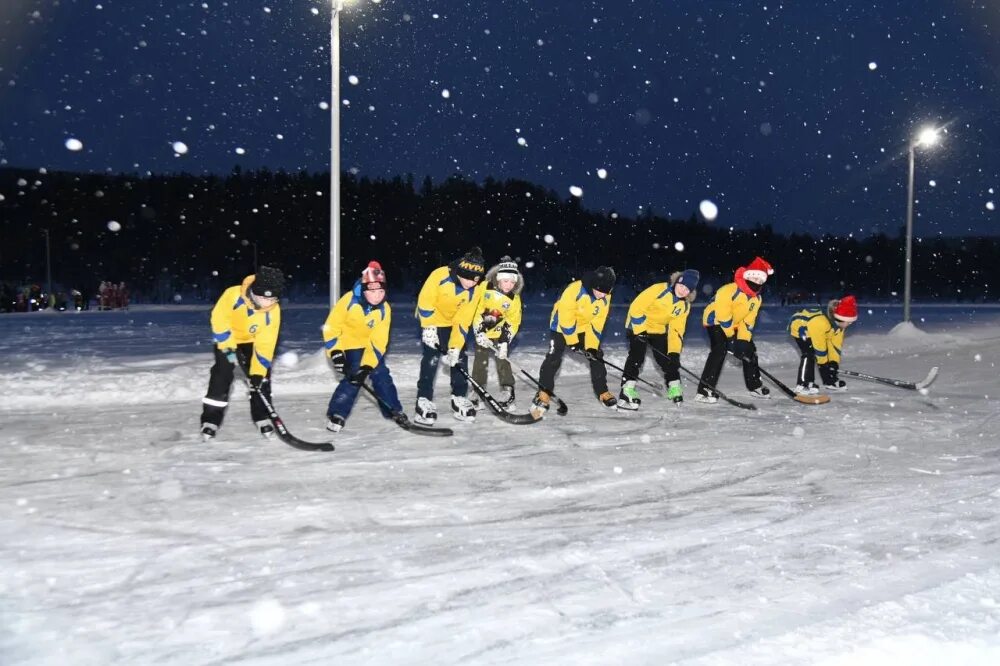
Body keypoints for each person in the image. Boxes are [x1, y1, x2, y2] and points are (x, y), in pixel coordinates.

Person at [200, 266, 285, 440]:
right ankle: (210, 420)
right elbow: (219, 319)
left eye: (272, 300)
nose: (267, 304)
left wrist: (258, 372)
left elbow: (266, 344)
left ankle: (262, 417)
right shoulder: (232, 295)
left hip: (251, 342)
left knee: (261, 380)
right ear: (254, 292)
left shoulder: (273, 311)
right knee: (221, 376)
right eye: (263, 298)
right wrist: (229, 349)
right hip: (228, 339)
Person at [322, 261, 407, 431]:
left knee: (380, 373)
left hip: (369, 347)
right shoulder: (348, 301)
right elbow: (331, 327)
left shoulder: (385, 309)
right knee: (354, 374)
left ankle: (393, 410)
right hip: (348, 344)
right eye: (373, 291)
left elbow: (379, 340)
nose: (377, 296)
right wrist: (336, 353)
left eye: (381, 291)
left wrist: (368, 365)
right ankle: (337, 412)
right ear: (364, 288)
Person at [531, 266, 617, 418]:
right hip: (560, 326)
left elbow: (597, 324)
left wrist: (591, 347)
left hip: (582, 328)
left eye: (606, 292)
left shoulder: (605, 297)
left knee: (597, 355)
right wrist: (572, 342)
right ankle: (543, 393)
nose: (602, 295)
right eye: (600, 291)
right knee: (553, 358)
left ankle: (602, 392)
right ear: (594, 285)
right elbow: (566, 318)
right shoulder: (574, 290)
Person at [414, 247, 486, 424]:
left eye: (475, 280)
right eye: (468, 279)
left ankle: (459, 397)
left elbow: (463, 321)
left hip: (452, 322)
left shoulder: (475, 290)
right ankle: (423, 400)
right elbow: (425, 301)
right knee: (431, 356)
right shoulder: (440, 275)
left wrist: (454, 347)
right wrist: (429, 327)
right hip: (431, 318)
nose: (471, 283)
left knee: (460, 357)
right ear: (460, 272)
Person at [696, 257, 774, 403]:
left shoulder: (756, 299)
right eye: (755, 278)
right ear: (748, 276)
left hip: (736, 323)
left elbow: (747, 323)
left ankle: (755, 386)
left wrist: (742, 342)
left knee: (750, 349)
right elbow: (723, 317)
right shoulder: (729, 290)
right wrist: (731, 340)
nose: (757, 282)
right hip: (715, 321)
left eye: (760, 280)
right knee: (720, 349)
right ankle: (704, 390)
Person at [619, 269, 700, 409]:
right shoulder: (659, 289)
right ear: (676, 282)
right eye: (681, 286)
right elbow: (636, 307)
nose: (682, 291)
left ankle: (674, 386)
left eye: (687, 289)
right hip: (638, 324)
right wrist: (640, 331)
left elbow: (676, 330)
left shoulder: (684, 306)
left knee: (667, 359)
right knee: (637, 357)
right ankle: (627, 389)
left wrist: (674, 352)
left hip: (657, 329)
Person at [470, 256, 524, 410]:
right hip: (483, 332)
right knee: (480, 361)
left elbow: (513, 321)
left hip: (500, 334)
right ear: (499, 279)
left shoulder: (514, 299)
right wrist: (479, 332)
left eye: (512, 282)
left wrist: (505, 342)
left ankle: (508, 391)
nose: (509, 285)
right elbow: (477, 310)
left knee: (503, 360)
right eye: (506, 281)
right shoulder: (485, 288)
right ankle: (477, 391)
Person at [788, 295, 857, 394]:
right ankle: (803, 384)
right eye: (848, 322)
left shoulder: (839, 326)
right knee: (809, 353)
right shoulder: (821, 323)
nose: (849, 325)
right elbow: (819, 348)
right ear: (840, 318)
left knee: (827, 358)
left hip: (818, 330)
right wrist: (824, 365)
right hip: (800, 327)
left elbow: (835, 346)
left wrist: (833, 363)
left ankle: (830, 381)